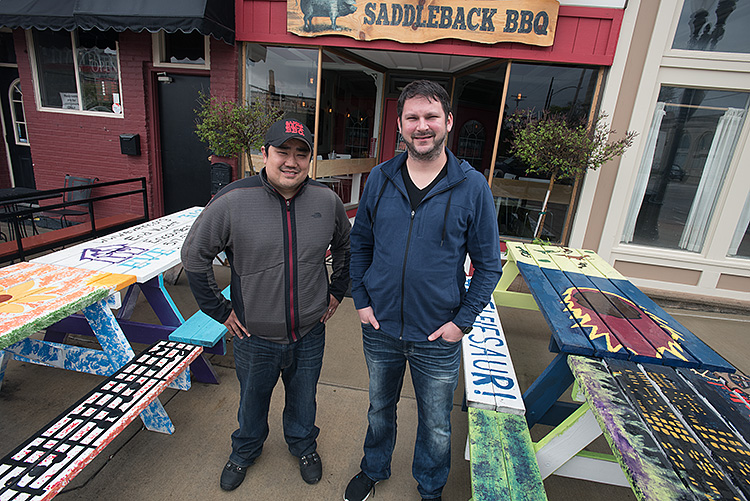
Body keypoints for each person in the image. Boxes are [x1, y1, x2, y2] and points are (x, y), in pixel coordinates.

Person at [344, 80, 502, 501]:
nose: (422, 126)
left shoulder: (472, 187)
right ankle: (373, 468)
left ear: (448, 122)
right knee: (379, 409)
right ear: (399, 124)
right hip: (380, 328)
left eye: (431, 116)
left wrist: (460, 324)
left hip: (438, 334)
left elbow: (489, 266)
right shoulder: (380, 178)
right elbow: (360, 245)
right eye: (412, 117)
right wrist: (361, 301)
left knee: (435, 422)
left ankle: (430, 489)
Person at [181, 118, 351, 491]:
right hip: (254, 334)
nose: (291, 161)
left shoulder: (326, 200)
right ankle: (245, 450)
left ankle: (303, 445)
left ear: (310, 160)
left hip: (308, 332)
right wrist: (220, 311)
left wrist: (338, 289)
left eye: (301, 153)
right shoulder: (232, 200)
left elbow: (345, 246)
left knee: (304, 400)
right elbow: (195, 257)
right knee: (252, 402)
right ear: (264, 154)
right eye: (282, 152)